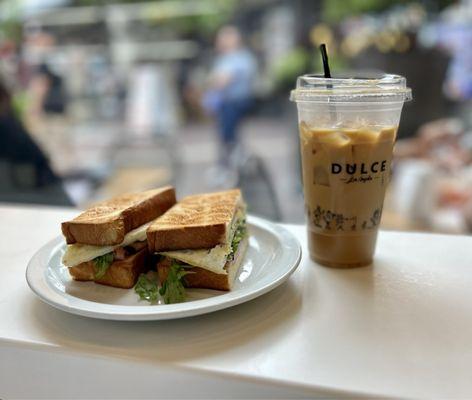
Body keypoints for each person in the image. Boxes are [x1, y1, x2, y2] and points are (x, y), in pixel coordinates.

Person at [204, 26, 257, 170]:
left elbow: (222, 80)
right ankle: (232, 163)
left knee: (229, 135)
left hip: (234, 102)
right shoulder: (226, 58)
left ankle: (232, 165)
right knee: (228, 135)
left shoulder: (239, 58)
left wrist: (213, 81)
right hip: (227, 103)